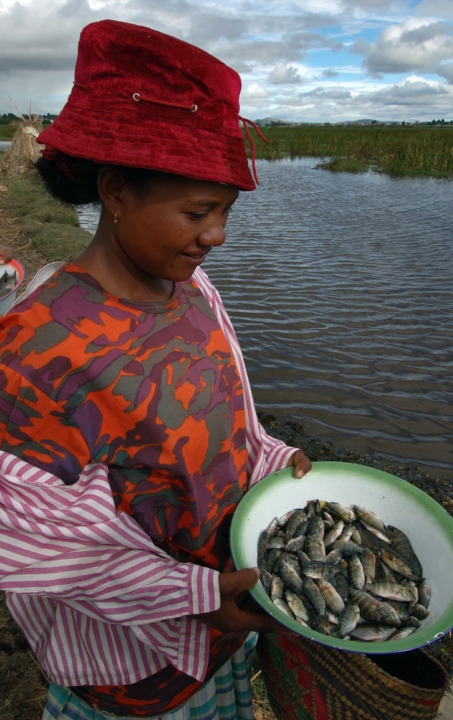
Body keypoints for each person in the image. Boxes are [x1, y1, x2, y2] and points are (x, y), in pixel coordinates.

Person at [0, 19, 311, 720]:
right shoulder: (35, 349)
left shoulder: (194, 292)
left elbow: (231, 418)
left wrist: (274, 458)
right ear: (115, 190)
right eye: (198, 211)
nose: (217, 235)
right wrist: (196, 597)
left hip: (224, 634)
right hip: (133, 667)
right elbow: (46, 545)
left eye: (225, 211)